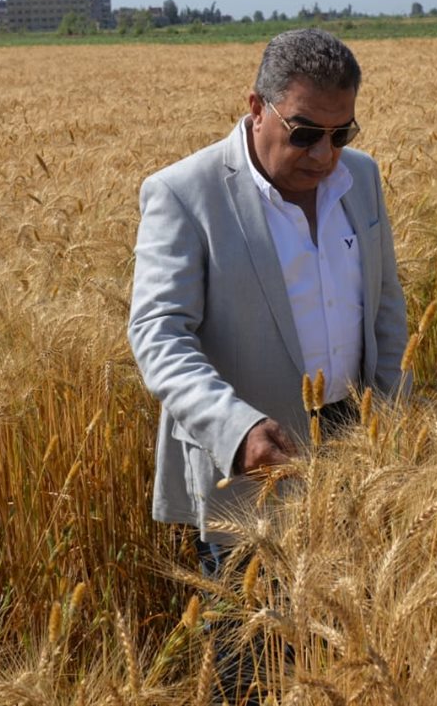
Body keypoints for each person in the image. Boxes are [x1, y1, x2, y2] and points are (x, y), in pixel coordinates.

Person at [128, 28, 409, 545]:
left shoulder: (362, 177)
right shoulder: (183, 193)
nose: (324, 155)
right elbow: (158, 334)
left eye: (341, 135)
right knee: (252, 600)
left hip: (358, 441)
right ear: (258, 108)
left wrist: (394, 421)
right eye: (304, 133)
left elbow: (386, 305)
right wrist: (236, 430)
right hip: (250, 461)